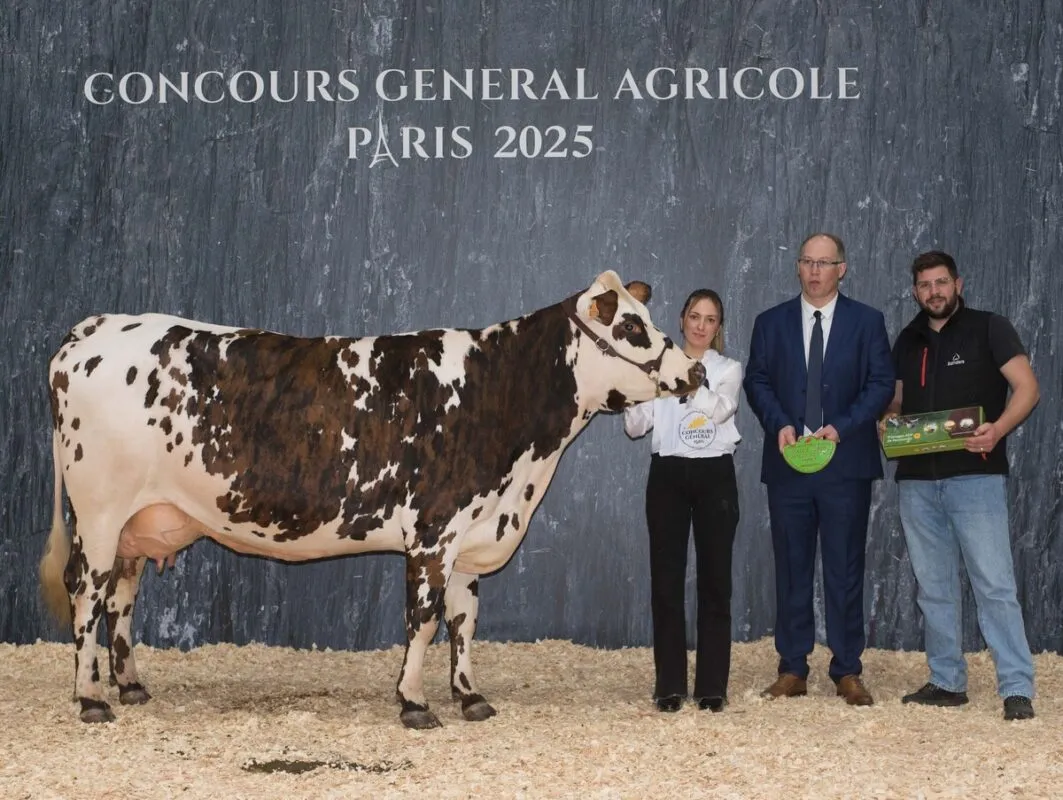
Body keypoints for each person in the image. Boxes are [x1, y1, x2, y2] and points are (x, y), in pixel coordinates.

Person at [882, 250, 1040, 721]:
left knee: (994, 585)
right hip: (916, 482)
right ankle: (947, 680)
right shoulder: (906, 340)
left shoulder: (990, 326)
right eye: (925, 285)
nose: (934, 291)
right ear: (915, 292)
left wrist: (997, 429)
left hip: (976, 477)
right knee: (933, 588)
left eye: (941, 282)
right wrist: (888, 423)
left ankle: (1016, 687)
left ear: (958, 284)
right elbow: (895, 401)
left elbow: (1027, 388)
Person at [743, 232, 894, 706]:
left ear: (842, 269)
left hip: (844, 465)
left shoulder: (867, 321)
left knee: (845, 569)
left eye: (824, 263)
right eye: (806, 261)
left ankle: (847, 669)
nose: (814, 271)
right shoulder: (770, 323)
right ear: (798, 266)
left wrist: (842, 427)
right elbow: (757, 380)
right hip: (789, 463)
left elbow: (881, 382)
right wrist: (780, 424)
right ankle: (792, 668)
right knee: (791, 567)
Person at [624, 289, 742, 713]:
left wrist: (688, 382)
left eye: (711, 319)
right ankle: (669, 684)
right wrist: (648, 388)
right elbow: (635, 427)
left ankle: (712, 686)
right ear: (681, 319)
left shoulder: (729, 369)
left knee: (715, 583)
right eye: (695, 316)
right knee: (666, 582)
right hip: (668, 473)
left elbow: (721, 411)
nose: (701, 325)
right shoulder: (658, 365)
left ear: (718, 327)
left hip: (715, 475)